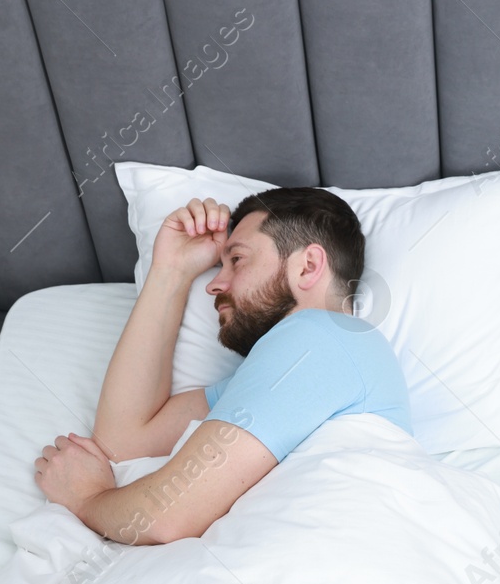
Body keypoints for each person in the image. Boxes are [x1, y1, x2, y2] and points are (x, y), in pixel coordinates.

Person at [34, 188, 410, 543]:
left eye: (237, 260)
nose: (214, 284)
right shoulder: (288, 368)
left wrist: (86, 499)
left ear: (307, 266)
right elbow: (124, 443)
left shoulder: (320, 337)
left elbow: (165, 516)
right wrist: (171, 271)